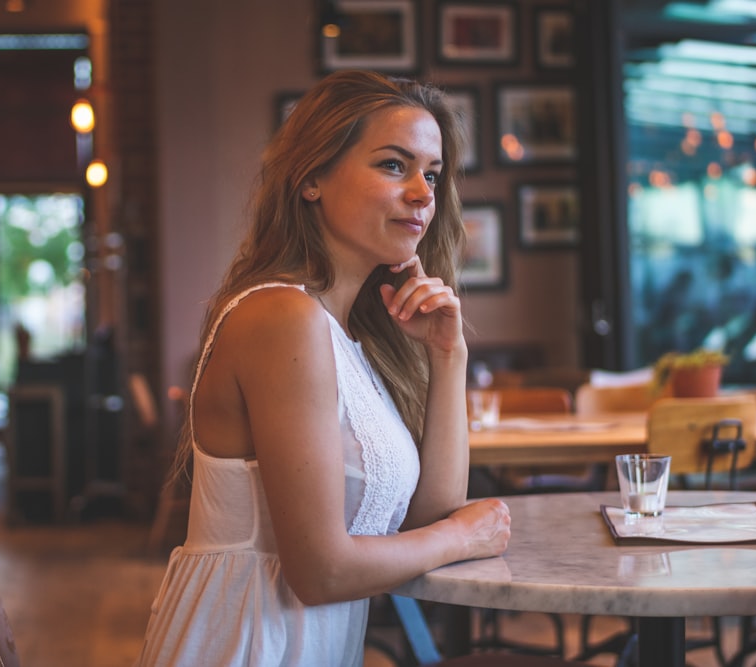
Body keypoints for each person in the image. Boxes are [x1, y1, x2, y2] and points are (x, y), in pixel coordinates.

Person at [135, 69, 511, 667]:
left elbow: (427, 517)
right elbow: (322, 571)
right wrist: (464, 537)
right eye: (394, 165)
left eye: (432, 174)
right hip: (244, 645)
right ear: (312, 178)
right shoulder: (282, 316)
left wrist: (448, 355)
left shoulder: (344, 335)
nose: (422, 193)